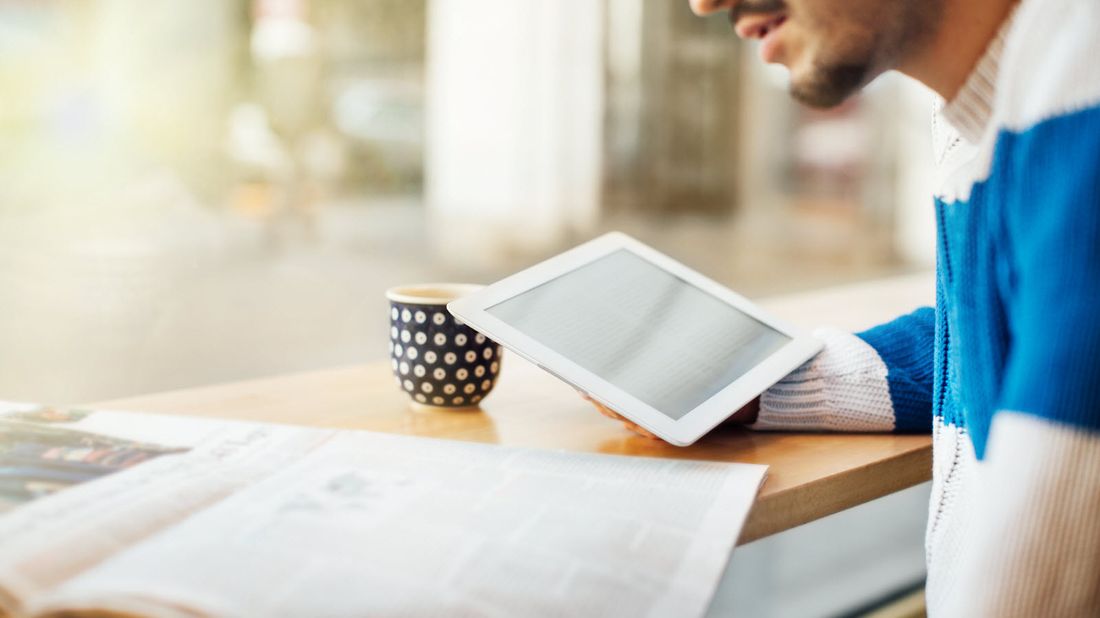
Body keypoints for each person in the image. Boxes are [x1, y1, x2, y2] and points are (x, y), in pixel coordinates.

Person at [588, 0, 1100, 614]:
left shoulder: (1081, 98)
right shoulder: (998, 104)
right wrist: (762, 385)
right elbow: (996, 329)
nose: (704, 4)